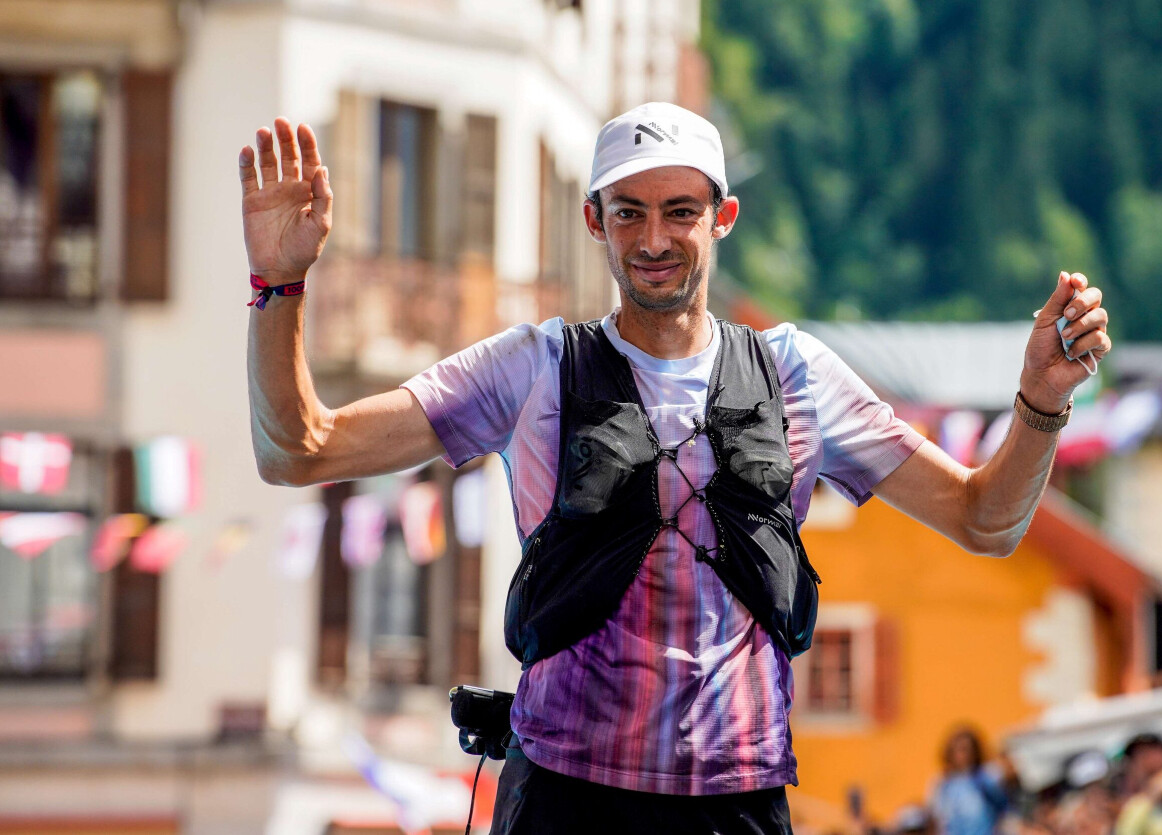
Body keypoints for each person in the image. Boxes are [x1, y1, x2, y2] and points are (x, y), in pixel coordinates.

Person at [240, 101, 1111, 834]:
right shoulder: (533, 367)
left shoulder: (797, 375)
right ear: (595, 221)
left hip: (738, 802)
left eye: (680, 212)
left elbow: (985, 519)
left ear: (722, 217)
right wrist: (279, 285)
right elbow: (300, 449)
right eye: (629, 213)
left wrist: (1040, 402)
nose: (654, 239)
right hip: (566, 798)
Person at [930, 726, 1009, 835]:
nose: (964, 755)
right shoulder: (942, 784)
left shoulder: (987, 776)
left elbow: (1003, 807)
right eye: (960, 749)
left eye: (969, 749)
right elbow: (936, 818)